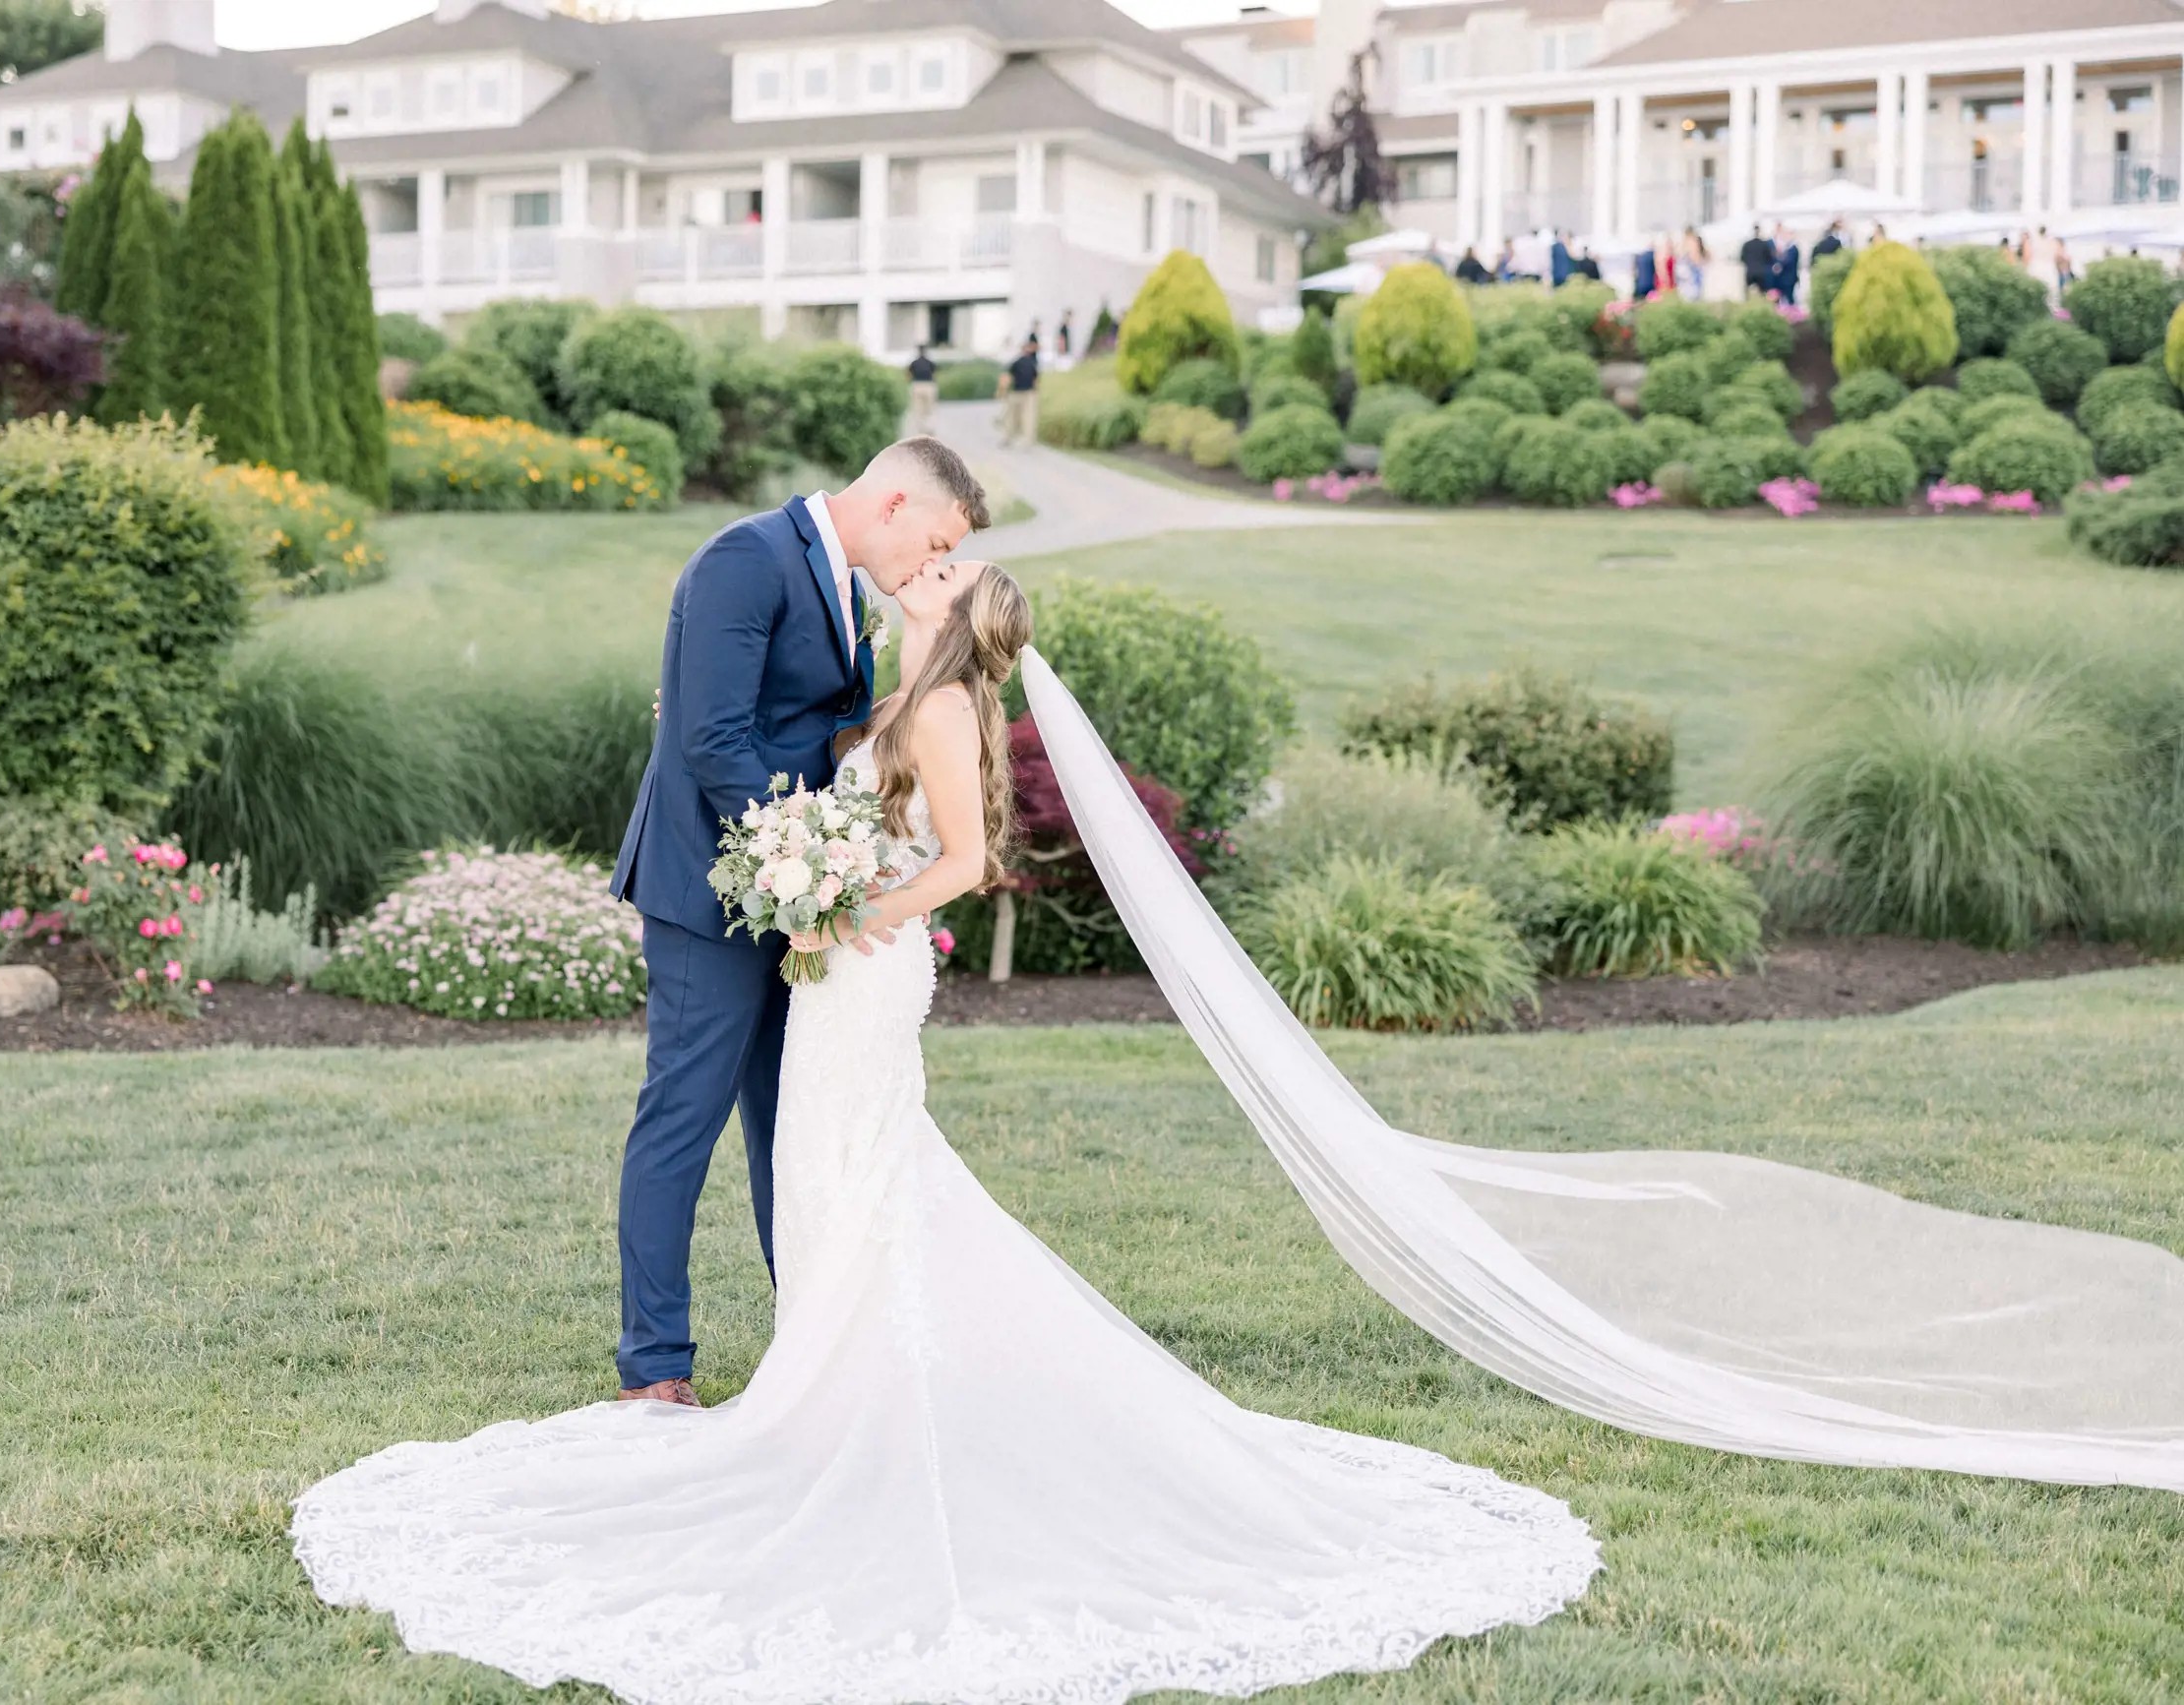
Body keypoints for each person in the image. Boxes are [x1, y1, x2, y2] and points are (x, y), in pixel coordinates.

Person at [291, 544, 1605, 1702]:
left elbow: (968, 862)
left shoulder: (946, 706)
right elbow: (852, 786)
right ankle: (827, 1383)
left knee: (844, 1166)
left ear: (961, 614)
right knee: (824, 1171)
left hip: (868, 965)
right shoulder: (903, 695)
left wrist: (848, 904)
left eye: (940, 575)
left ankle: (851, 1396)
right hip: (845, 957)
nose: (923, 571)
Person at [599, 439, 985, 1409]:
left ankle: (814, 1341)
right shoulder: (745, 556)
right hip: (709, 892)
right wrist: (801, 864)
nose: (931, 566)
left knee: (791, 1120)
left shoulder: (846, 588)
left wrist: (822, 873)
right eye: (933, 541)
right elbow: (711, 742)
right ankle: (654, 1364)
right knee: (680, 1115)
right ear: (894, 500)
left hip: (798, 894)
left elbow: (807, 731)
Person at [997, 335, 1041, 448]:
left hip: (1023, 393)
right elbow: (1036, 379)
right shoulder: (1027, 363)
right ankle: (1019, 439)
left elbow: (1007, 378)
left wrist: (1003, 391)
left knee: (1016, 417)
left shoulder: (1021, 363)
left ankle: (1016, 439)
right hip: (1022, 393)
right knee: (1024, 417)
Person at [904, 343, 939, 435]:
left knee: (918, 410)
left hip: (917, 385)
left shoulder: (914, 363)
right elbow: (935, 375)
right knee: (929, 410)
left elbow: (908, 376)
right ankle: (929, 429)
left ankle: (920, 431)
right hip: (929, 386)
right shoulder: (930, 363)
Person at [1739, 223, 1774, 298]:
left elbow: (1742, 258)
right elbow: (1769, 258)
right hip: (1761, 271)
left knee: (1747, 294)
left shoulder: (1747, 244)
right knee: (1763, 293)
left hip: (1750, 271)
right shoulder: (1764, 244)